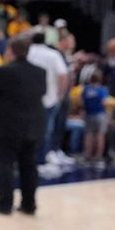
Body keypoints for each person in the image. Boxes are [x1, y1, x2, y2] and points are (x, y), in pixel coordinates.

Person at [0, 35, 47, 215]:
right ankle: (29, 204)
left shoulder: (2, 72)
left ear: (10, 51)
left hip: (7, 128)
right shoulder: (40, 72)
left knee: (5, 165)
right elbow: (43, 92)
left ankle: (5, 204)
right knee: (29, 166)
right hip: (33, 127)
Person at [27, 32, 70, 172]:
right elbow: (63, 75)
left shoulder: (27, 52)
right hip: (49, 99)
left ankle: (27, 160)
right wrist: (60, 94)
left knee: (28, 129)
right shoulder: (53, 54)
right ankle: (42, 160)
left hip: (28, 99)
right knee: (46, 130)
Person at [82, 70, 110, 169]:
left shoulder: (85, 89)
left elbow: (83, 102)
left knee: (88, 135)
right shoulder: (102, 89)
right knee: (100, 136)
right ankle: (98, 157)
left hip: (89, 114)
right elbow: (104, 102)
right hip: (100, 114)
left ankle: (87, 155)